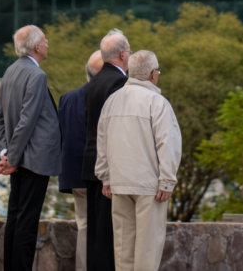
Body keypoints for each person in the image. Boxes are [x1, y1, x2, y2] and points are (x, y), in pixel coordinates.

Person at [95, 50, 181, 271]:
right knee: (147, 250)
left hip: (119, 183)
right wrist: (167, 181)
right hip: (149, 186)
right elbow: (167, 144)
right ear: (153, 74)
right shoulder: (158, 102)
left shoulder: (111, 101)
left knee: (123, 251)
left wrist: (105, 177)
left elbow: (102, 143)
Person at [0, 25, 62, 271]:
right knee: (27, 223)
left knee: (15, 219)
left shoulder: (9, 72)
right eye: (45, 39)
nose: (48, 43)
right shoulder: (37, 76)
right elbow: (27, 119)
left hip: (18, 160)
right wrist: (12, 157)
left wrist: (5, 153)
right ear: (36, 46)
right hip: (33, 160)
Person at [83, 29, 130, 271]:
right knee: (109, 235)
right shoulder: (119, 82)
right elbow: (115, 129)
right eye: (129, 51)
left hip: (91, 164)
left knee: (95, 233)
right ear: (123, 54)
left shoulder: (94, 81)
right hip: (108, 169)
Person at [58, 50, 104, 271]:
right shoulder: (105, 96)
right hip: (98, 175)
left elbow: (61, 136)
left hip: (74, 173)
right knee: (103, 228)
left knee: (84, 226)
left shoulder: (66, 99)